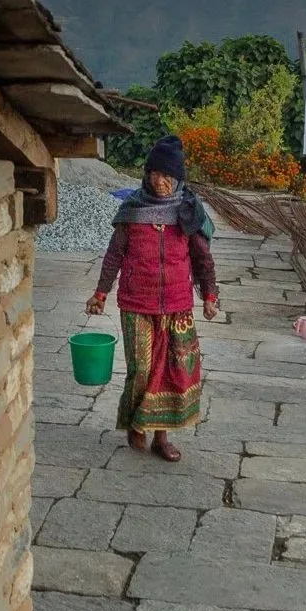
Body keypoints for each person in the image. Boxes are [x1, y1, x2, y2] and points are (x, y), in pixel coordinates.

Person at [85, 135, 219, 462]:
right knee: (142, 369)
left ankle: (162, 437)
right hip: (137, 302)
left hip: (177, 303)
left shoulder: (188, 211)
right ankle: (136, 423)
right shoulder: (132, 210)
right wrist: (101, 292)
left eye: (167, 176)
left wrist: (210, 295)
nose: (160, 182)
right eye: (154, 174)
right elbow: (114, 255)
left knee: (174, 371)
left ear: (178, 178)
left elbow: (202, 258)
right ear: (146, 175)